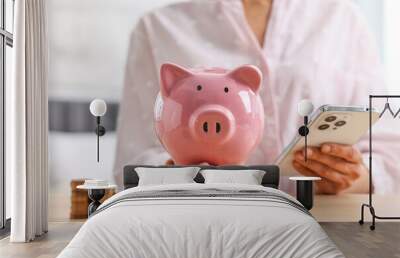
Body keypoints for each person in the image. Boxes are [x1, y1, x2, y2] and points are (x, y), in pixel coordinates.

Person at [114, 0, 400, 194]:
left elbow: (389, 151)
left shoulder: (342, 20)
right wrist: (185, 173)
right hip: (204, 229)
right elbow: (133, 162)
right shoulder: (157, 29)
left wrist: (350, 176)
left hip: (324, 225)